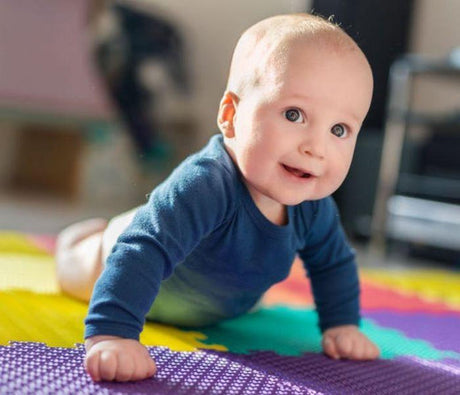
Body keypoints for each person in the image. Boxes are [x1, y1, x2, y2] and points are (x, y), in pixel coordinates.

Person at [56, 13, 379, 382]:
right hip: (122, 264)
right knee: (78, 264)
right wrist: (112, 335)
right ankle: (81, 238)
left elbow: (333, 263)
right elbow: (141, 250)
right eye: (294, 114)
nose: (316, 147)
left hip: (213, 302)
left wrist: (342, 325)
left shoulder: (313, 208)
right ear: (231, 115)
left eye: (340, 129)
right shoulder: (206, 185)